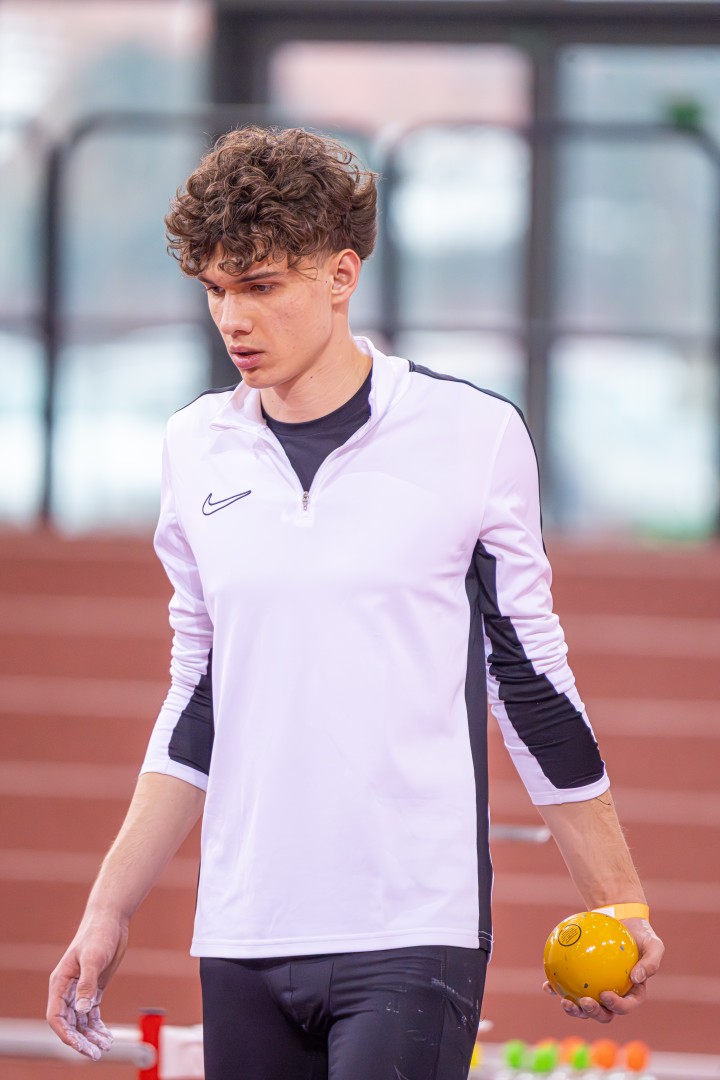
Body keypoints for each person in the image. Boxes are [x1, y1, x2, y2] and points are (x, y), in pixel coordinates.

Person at [47, 126, 664, 1080]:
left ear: (341, 274)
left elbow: (531, 683)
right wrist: (107, 909)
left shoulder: (473, 435)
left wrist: (618, 900)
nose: (233, 319)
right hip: (245, 927)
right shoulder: (194, 447)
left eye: (262, 286)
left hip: (412, 926)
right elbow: (199, 700)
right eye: (215, 289)